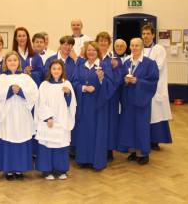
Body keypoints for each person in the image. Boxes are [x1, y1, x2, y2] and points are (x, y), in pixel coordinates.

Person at [0, 51, 39, 180]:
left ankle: (20, 169)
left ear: (19, 62)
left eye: (15, 60)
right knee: (8, 138)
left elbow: (34, 93)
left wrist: (21, 91)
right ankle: (8, 170)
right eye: (9, 60)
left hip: (22, 113)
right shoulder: (0, 78)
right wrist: (9, 92)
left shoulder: (26, 77)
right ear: (5, 62)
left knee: (22, 138)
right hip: (7, 114)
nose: (12, 62)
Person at [73, 41, 114, 170]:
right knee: (84, 131)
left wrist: (102, 79)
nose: (91, 52)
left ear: (98, 52)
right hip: (84, 104)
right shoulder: (80, 65)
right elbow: (73, 82)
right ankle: (83, 159)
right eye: (89, 50)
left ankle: (97, 161)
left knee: (98, 131)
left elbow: (111, 84)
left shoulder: (104, 65)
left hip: (98, 105)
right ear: (85, 52)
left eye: (93, 50)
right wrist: (84, 88)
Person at [119, 38, 159, 165]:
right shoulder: (126, 63)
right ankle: (132, 151)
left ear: (142, 47)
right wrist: (125, 81)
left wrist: (138, 81)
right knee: (129, 126)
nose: (134, 48)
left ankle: (143, 153)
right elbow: (120, 80)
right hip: (128, 100)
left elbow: (153, 82)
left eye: (137, 45)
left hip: (141, 100)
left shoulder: (150, 63)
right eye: (132, 45)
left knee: (141, 126)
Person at [35, 60, 76, 180]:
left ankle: (61, 169)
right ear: (50, 70)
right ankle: (47, 171)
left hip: (62, 119)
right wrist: (48, 117)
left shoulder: (67, 84)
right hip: (49, 121)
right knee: (47, 144)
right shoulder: (44, 85)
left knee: (61, 144)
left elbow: (71, 104)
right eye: (54, 69)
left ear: (62, 70)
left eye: (59, 69)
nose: (56, 71)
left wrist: (68, 94)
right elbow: (40, 103)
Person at [141, 25, 173, 150]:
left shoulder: (159, 49)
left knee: (156, 113)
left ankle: (155, 140)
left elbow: (157, 66)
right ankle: (145, 138)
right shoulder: (140, 48)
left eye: (148, 33)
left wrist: (141, 74)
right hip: (143, 86)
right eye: (143, 34)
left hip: (156, 86)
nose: (145, 36)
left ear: (153, 35)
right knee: (145, 113)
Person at [96, 32, 123, 162]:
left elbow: (119, 78)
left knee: (110, 123)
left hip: (111, 97)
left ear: (109, 43)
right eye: (100, 41)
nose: (102, 43)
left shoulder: (114, 59)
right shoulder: (93, 57)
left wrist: (108, 88)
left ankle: (109, 149)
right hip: (96, 96)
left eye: (105, 41)